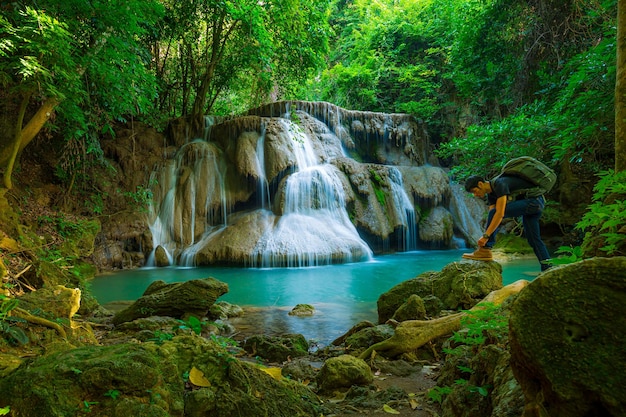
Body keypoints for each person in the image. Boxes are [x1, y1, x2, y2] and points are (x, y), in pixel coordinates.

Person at [462, 174, 551, 271]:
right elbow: (492, 218)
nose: (475, 195)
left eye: (475, 191)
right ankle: (547, 268)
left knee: (495, 212)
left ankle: (485, 250)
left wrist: (486, 237)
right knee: (533, 239)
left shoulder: (500, 183)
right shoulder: (491, 195)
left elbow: (499, 213)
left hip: (534, 202)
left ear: (480, 184)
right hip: (533, 205)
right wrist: (486, 234)